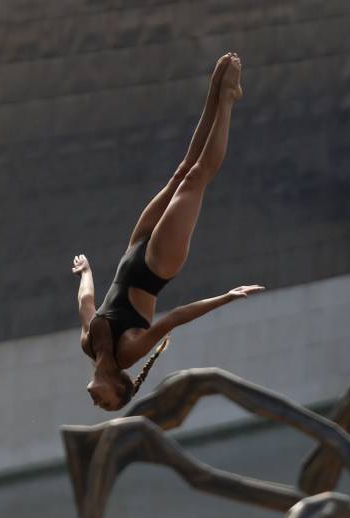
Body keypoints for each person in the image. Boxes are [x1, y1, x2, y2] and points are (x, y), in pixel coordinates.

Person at [74, 54, 262, 413]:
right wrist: (225, 297)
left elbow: (86, 304)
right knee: (197, 178)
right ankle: (227, 101)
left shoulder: (89, 345)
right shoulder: (128, 352)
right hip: (158, 265)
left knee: (181, 172)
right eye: (109, 404)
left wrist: (86, 273)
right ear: (119, 385)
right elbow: (174, 318)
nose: (99, 404)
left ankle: (213, 92)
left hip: (133, 250)